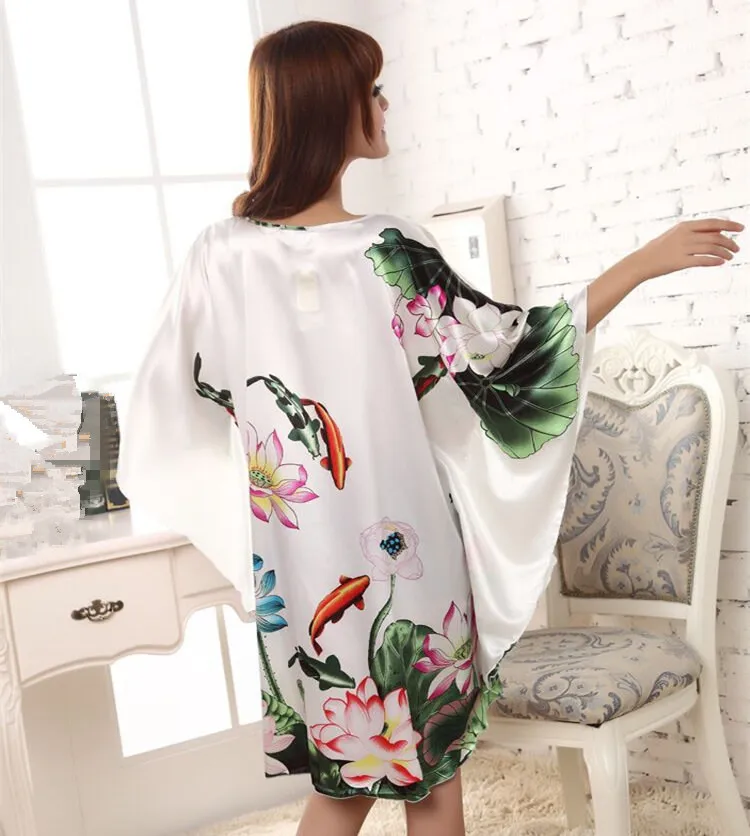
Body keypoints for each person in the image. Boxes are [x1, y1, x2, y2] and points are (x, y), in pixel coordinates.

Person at [117, 20, 743, 836]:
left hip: (297, 561)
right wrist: (642, 262)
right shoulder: (391, 246)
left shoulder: (218, 255)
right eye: (372, 91)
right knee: (432, 783)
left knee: (345, 778)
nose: (385, 105)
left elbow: (174, 395)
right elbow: (512, 352)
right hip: (406, 551)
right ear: (332, 106)